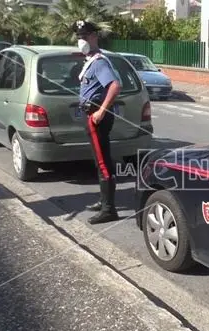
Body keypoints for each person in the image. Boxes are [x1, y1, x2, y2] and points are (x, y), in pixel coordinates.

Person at [73, 20, 121, 224]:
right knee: (100, 160)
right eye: (78, 37)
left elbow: (114, 86)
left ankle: (109, 210)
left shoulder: (99, 61)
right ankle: (104, 201)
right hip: (91, 114)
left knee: (103, 163)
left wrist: (101, 110)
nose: (81, 41)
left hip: (96, 116)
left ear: (94, 37)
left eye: (84, 37)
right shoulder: (91, 60)